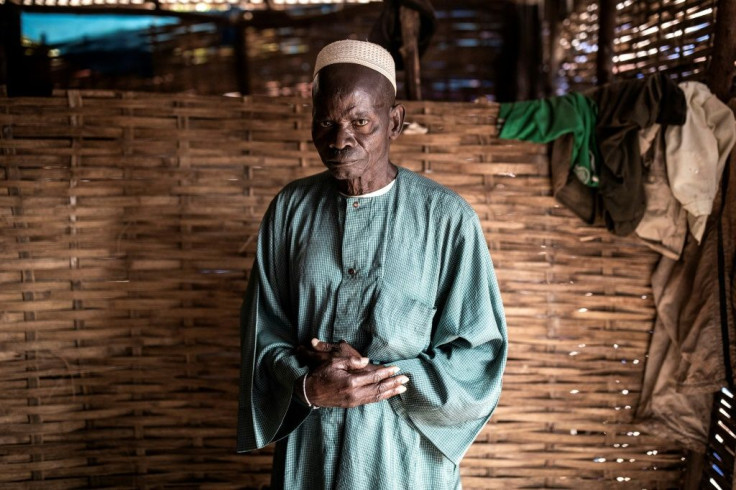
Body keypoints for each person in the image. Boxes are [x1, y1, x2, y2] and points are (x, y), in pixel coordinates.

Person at [236, 39, 508, 490]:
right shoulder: (289, 209)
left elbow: (479, 354)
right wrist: (308, 388)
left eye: (360, 121)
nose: (339, 140)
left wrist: (381, 377)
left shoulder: (447, 218)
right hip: (312, 448)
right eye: (325, 122)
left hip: (404, 453)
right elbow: (263, 329)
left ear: (395, 121)